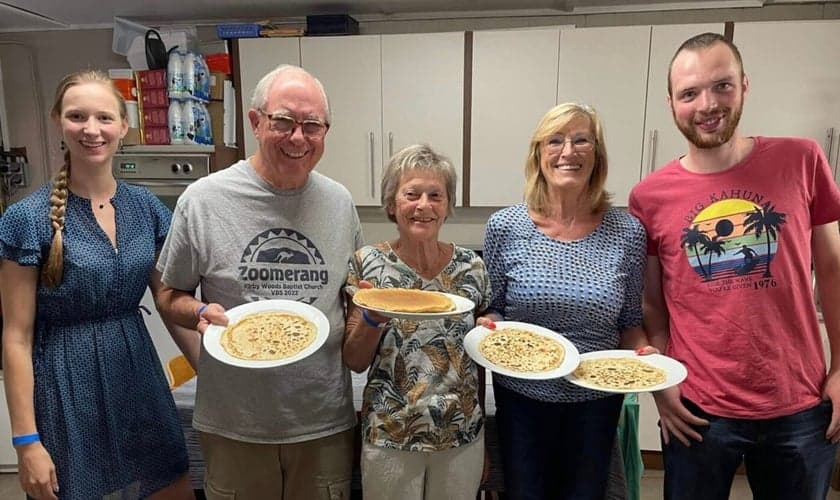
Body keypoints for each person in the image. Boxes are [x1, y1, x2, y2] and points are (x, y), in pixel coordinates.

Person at [628, 32, 840, 500]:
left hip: (799, 403)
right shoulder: (648, 197)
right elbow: (653, 305)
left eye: (721, 86)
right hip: (698, 406)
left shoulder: (802, 159)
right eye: (690, 93)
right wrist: (663, 387)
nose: (707, 104)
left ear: (744, 85)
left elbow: (833, 269)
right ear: (671, 103)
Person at [154, 64, 362, 499]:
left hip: (321, 422)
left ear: (326, 131)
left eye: (312, 125)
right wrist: (198, 313)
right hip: (236, 423)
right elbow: (170, 295)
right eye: (283, 121)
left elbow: (354, 296)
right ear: (255, 121)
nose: (298, 137)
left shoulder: (340, 203)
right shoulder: (204, 200)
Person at [0, 70, 193, 499]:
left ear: (124, 127)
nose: (91, 130)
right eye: (77, 117)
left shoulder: (145, 207)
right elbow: (16, 336)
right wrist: (26, 441)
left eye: (104, 117)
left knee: (172, 482)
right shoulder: (26, 219)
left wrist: (216, 372)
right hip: (65, 389)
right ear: (58, 122)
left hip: (140, 378)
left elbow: (168, 302)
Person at [481, 102, 650, 499]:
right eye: (554, 140)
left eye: (581, 140)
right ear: (538, 155)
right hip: (521, 398)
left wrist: (645, 356)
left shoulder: (627, 232)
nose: (568, 151)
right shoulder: (505, 227)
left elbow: (629, 322)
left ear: (598, 154)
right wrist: (486, 322)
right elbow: (494, 307)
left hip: (594, 400)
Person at [343, 144, 491, 500]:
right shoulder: (369, 264)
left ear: (448, 206)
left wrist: (482, 428)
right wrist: (372, 318)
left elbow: (479, 360)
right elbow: (354, 359)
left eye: (435, 195)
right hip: (391, 434)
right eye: (411, 194)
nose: (423, 205)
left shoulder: (472, 267)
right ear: (392, 204)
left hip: (461, 433)